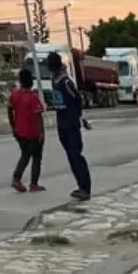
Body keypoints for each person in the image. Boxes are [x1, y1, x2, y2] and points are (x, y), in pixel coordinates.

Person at [45, 50, 92, 203]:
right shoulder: (54, 80)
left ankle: (85, 188)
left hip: (71, 125)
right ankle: (80, 186)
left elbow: (78, 99)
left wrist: (78, 117)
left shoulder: (66, 82)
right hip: (62, 125)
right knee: (71, 157)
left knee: (76, 155)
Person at [7, 66, 46, 192]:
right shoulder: (33, 96)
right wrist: (42, 133)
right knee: (36, 157)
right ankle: (33, 184)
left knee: (25, 155)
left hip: (19, 131)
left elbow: (9, 110)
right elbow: (38, 116)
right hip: (33, 132)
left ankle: (16, 179)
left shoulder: (14, 93)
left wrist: (13, 126)